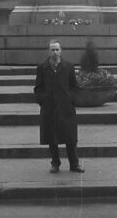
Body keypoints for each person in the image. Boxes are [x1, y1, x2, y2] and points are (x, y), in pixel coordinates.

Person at [34, 39, 85, 173]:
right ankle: (55, 163)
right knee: (52, 137)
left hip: (66, 107)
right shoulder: (42, 68)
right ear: (48, 52)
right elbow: (38, 88)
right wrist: (43, 100)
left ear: (61, 51)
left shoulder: (68, 66)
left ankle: (74, 164)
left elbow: (74, 86)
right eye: (52, 50)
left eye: (57, 49)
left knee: (70, 138)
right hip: (49, 108)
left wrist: (70, 99)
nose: (55, 52)